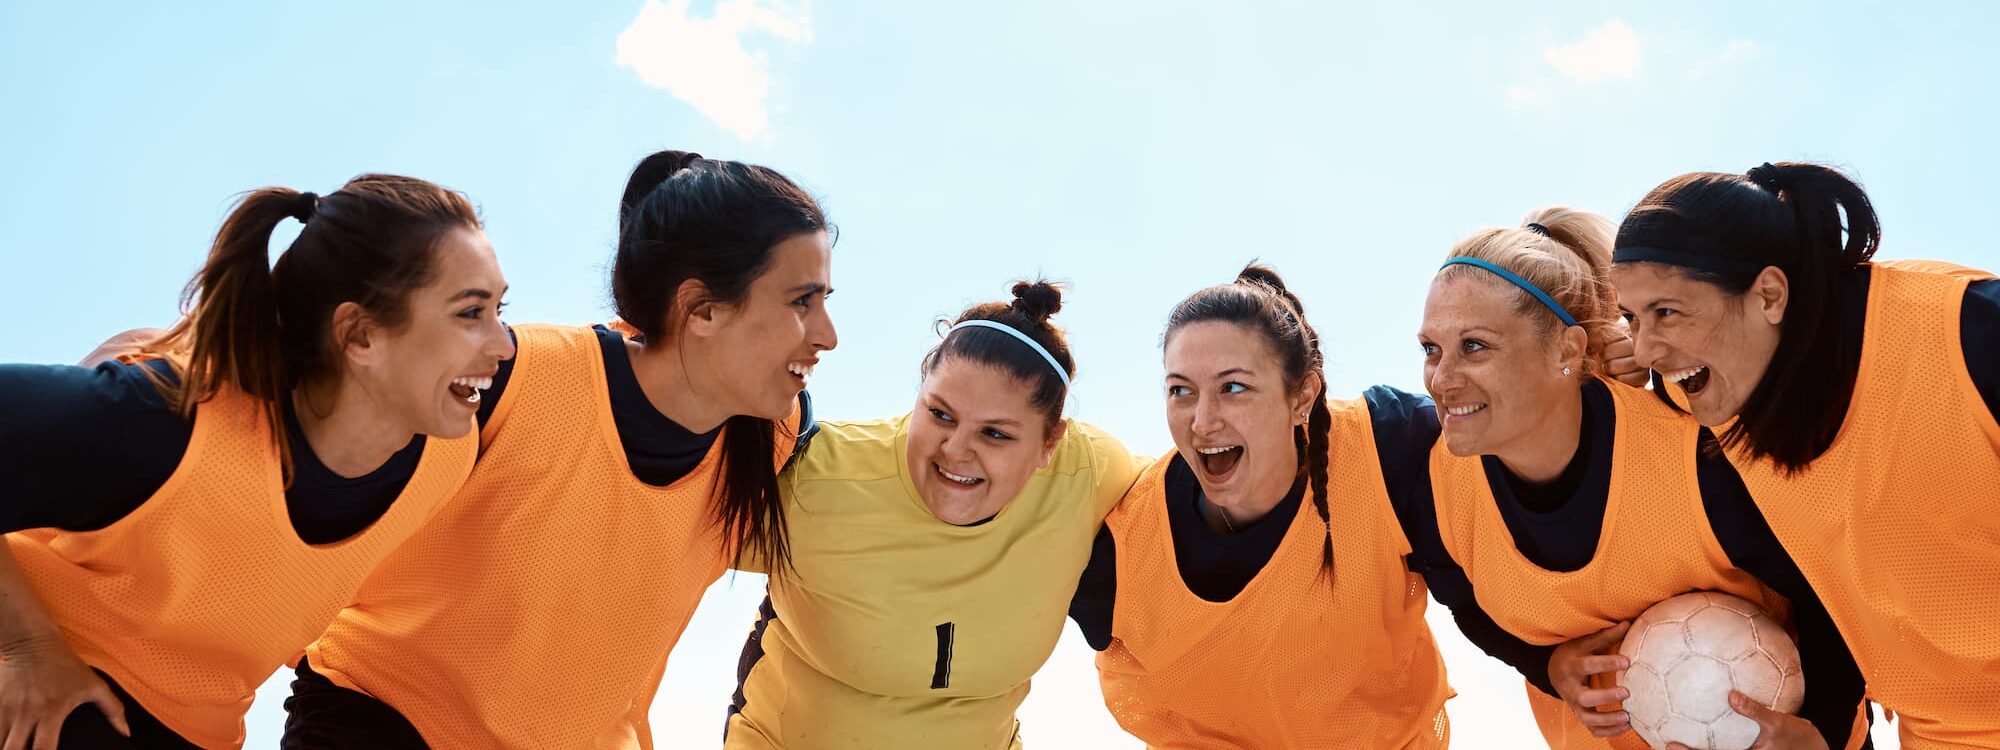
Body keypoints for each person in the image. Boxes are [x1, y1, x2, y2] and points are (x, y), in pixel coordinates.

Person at [282, 150, 836, 749]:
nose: (828, 334)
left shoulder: (773, 436)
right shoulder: (512, 381)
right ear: (701, 309)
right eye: (801, 301)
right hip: (381, 722)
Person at [0, 174, 512, 749]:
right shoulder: (170, 418)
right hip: (49, 696)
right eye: (470, 313)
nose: (503, 344)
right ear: (360, 334)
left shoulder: (443, 460)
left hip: (193, 730)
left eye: (499, 308)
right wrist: (25, 647)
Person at [1413, 208, 1870, 749]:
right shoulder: (1436, 481)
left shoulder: (1698, 462)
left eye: (1475, 346)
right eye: (1431, 349)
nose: (1441, 380)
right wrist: (1544, 661)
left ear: (1568, 349)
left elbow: (1837, 593)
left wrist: (1820, 728)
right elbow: (1463, 600)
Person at [1609, 162, 2000, 748]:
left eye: (1667, 311)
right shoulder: (1707, 386)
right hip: (1941, 733)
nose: (1646, 348)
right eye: (1631, 318)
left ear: (1769, 294)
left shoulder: (1972, 336)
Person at [725, 281, 1142, 750]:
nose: (956, 451)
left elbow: (1214, 506)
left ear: (1050, 443)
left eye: (995, 435)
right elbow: (658, 513)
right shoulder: (816, 482)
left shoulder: (1089, 476)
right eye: (941, 415)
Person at [1067, 266, 1455, 748]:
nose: (1203, 422)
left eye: (1233, 387)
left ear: (1302, 396)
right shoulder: (1121, 544)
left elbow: (1508, 444)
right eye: (1180, 390)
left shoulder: (1387, 449)